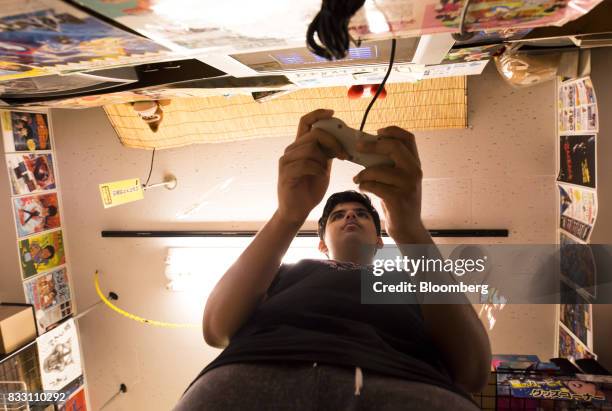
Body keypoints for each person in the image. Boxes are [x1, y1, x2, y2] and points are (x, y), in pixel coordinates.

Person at [173, 109, 491, 410]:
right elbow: (216, 330)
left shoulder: (415, 280)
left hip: (406, 384)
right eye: (338, 216)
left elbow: (473, 371)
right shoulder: (283, 272)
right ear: (322, 244)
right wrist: (289, 214)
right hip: (251, 378)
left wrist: (409, 228)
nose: (350, 215)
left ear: (381, 241)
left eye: (363, 214)